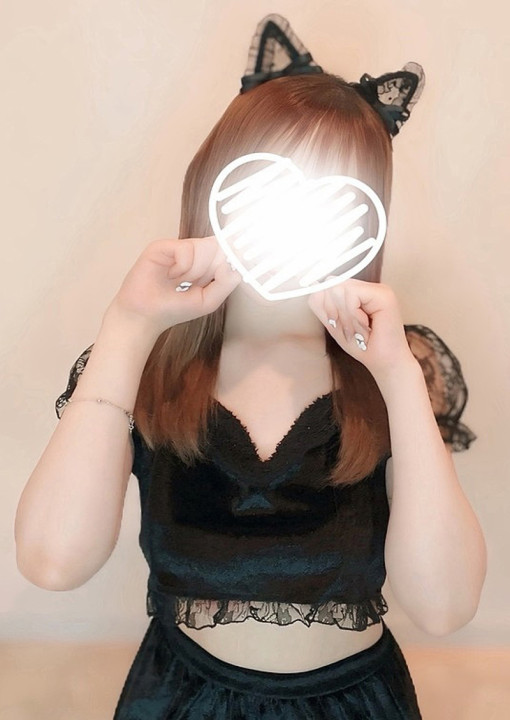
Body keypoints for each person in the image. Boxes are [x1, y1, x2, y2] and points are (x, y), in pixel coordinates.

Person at [15, 14, 486, 720]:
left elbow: (445, 606)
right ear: (218, 183)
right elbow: (53, 561)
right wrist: (128, 326)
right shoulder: (143, 367)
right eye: (268, 180)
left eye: (331, 192)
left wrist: (396, 379)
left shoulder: (396, 369)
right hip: (179, 700)